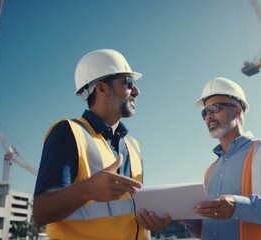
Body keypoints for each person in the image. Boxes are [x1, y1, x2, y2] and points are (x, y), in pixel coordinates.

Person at [33, 49, 170, 240]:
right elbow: (40, 212)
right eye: (128, 83)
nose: (137, 91)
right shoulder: (69, 132)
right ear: (102, 88)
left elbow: (131, 216)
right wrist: (88, 189)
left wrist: (150, 222)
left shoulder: (133, 146)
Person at [190, 77, 261, 239]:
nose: (208, 116)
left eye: (214, 108)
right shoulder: (209, 172)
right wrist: (191, 220)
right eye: (204, 112)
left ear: (237, 111)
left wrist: (237, 206)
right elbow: (208, 229)